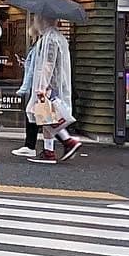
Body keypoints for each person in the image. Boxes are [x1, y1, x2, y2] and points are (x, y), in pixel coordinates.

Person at [15, 12, 81, 163]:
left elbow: (48, 64)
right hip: (53, 85)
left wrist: (42, 87)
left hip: (48, 86)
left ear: (42, 20)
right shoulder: (58, 37)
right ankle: (51, 150)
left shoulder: (50, 39)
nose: (35, 22)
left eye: (36, 19)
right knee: (45, 116)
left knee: (45, 116)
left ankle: (66, 143)